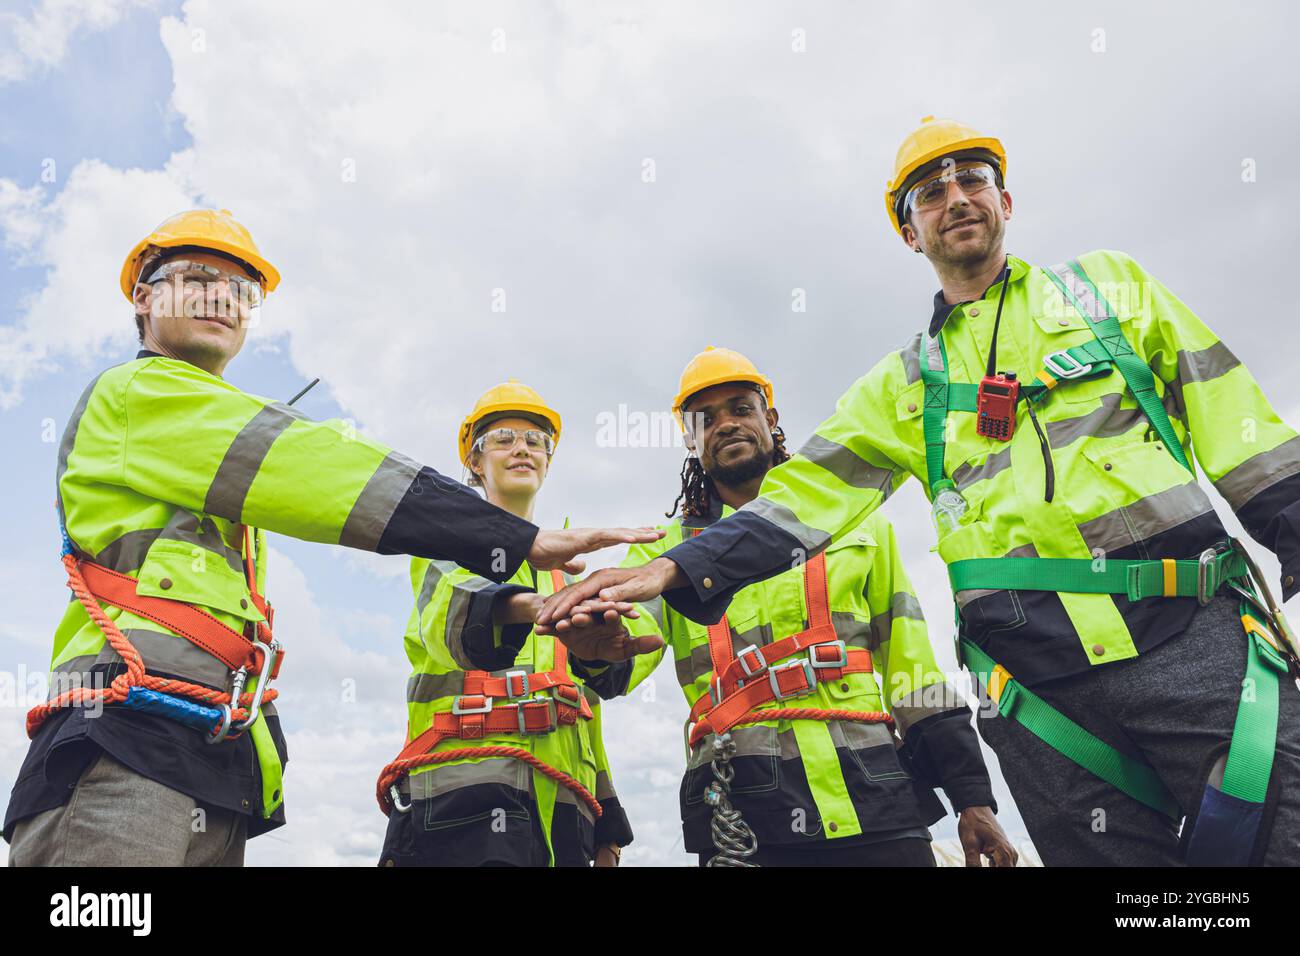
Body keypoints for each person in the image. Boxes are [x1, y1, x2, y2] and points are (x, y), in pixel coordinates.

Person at [539, 119, 1300, 866]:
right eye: (930, 193)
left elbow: (1239, 422)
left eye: (973, 180)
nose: (956, 198)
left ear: (1008, 201)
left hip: (1195, 639)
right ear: (910, 232)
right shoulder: (897, 388)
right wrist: (669, 574)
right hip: (1040, 696)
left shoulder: (1109, 290)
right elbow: (803, 497)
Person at [4, 209, 659, 866]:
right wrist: (514, 538)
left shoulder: (202, 454)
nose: (222, 299)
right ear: (143, 299)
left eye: (240, 291)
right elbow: (318, 464)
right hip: (122, 742)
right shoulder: (137, 392)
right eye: (196, 278)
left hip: (205, 754)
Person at [577, 347, 1015, 866]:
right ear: (689, 441)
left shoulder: (859, 526)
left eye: (741, 408)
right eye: (706, 419)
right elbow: (623, 655)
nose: (726, 425)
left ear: (771, 420)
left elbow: (913, 667)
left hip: (875, 801)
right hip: (739, 814)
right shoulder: (660, 556)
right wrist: (597, 653)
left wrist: (971, 797)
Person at [376, 380, 660, 866]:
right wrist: (535, 608)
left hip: (565, 813)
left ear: (549, 462)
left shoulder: (562, 580)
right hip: (462, 796)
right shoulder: (447, 545)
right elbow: (449, 613)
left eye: (536, 441)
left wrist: (608, 830)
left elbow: (580, 707)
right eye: (503, 438)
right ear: (474, 460)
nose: (522, 449)